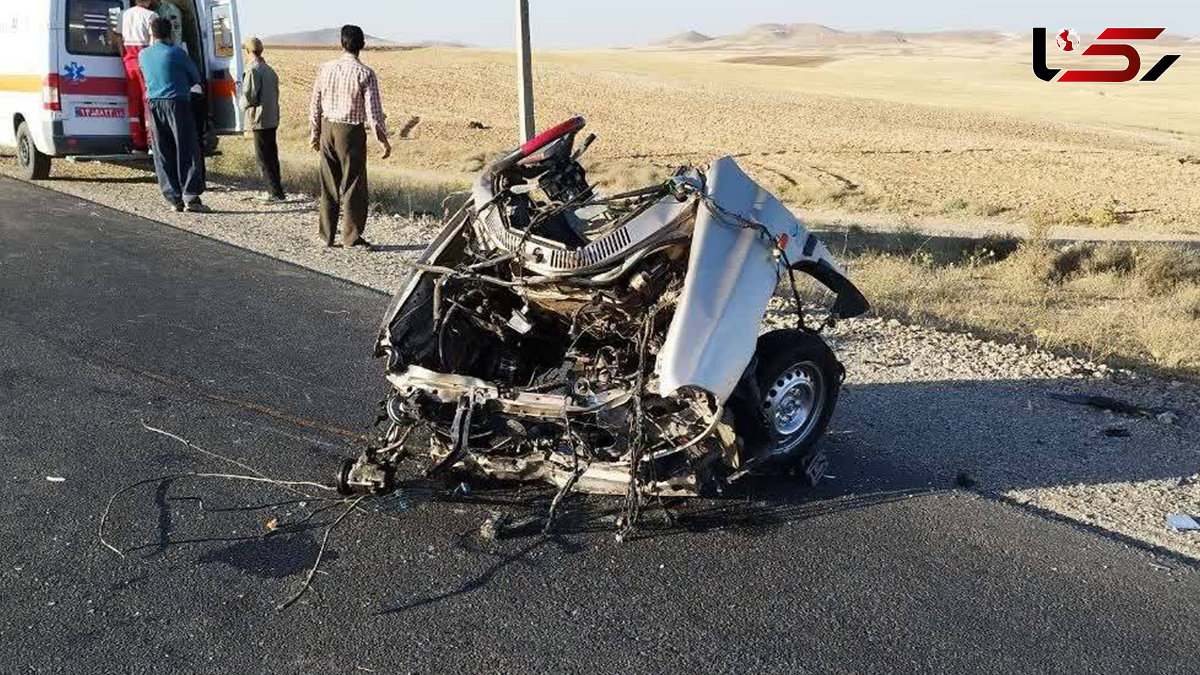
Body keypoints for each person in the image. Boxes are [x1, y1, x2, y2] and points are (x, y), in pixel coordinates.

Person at [309, 25, 392, 250]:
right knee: (354, 184)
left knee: (329, 183)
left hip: (328, 128)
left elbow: (315, 103)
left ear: (342, 43)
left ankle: (325, 236)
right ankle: (352, 238)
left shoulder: (325, 69)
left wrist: (314, 133)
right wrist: (383, 140)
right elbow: (373, 112)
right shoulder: (365, 74)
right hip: (351, 132)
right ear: (362, 45)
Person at [139, 17, 208, 212]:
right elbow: (195, 79)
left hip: (153, 105)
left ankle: (173, 198)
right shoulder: (177, 53)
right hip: (177, 103)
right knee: (186, 147)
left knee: (163, 151)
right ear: (170, 34)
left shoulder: (143, 55)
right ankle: (191, 196)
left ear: (151, 34)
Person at [241, 37, 285, 202]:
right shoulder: (270, 69)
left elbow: (249, 96)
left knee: (263, 158)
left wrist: (239, 104)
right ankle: (277, 190)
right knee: (272, 155)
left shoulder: (253, 70)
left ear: (248, 51)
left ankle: (273, 192)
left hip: (260, 119)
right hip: (272, 117)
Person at [118, 0, 159, 153]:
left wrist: (122, 54)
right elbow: (155, 42)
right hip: (145, 61)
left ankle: (137, 142)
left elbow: (117, 37)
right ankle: (151, 142)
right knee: (148, 100)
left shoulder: (123, 15)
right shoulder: (152, 15)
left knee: (133, 101)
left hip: (128, 63)